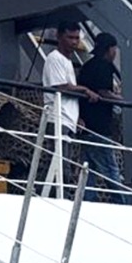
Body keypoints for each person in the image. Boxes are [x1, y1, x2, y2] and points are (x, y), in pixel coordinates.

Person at [76, 31, 125, 199]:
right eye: (114, 49)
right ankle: (121, 202)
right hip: (99, 127)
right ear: (110, 49)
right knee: (110, 169)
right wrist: (123, 100)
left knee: (88, 170)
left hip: (86, 125)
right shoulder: (104, 66)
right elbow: (104, 92)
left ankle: (87, 201)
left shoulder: (87, 67)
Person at [40, 23, 84, 190]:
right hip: (58, 118)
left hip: (68, 119)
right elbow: (60, 87)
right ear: (59, 37)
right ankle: (52, 195)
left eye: (76, 38)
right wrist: (85, 90)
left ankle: (47, 193)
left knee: (61, 163)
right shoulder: (55, 58)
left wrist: (78, 117)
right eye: (70, 37)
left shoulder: (66, 61)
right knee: (60, 164)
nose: (74, 42)